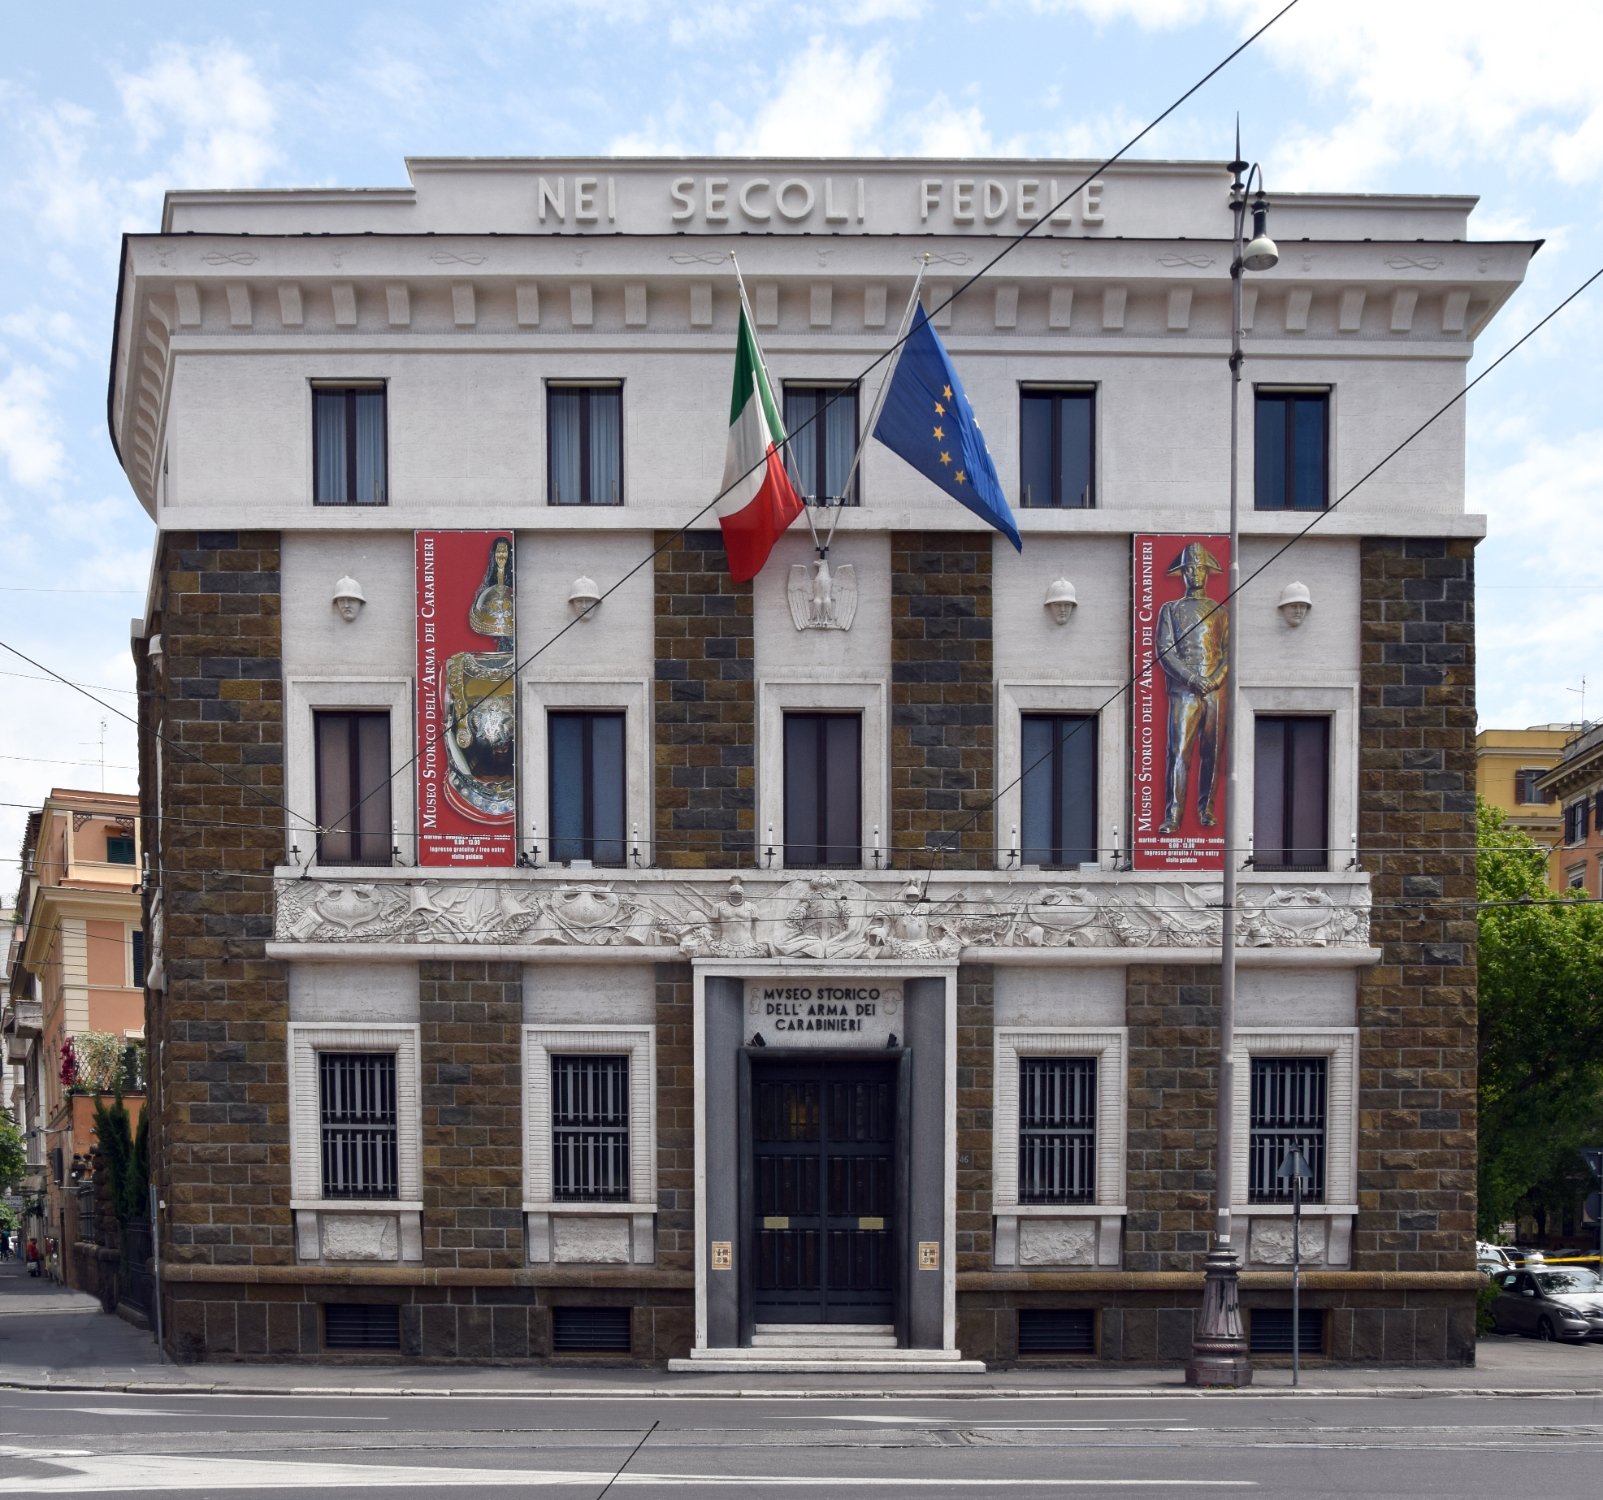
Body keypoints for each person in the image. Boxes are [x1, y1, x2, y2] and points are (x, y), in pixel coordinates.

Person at [1154, 541, 1229, 833]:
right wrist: (1191, 678)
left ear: (1208, 572)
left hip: (1214, 691)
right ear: (1182, 573)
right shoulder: (1170, 610)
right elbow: (1165, 650)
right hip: (1184, 690)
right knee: (1178, 752)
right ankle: (1173, 814)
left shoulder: (1220, 611)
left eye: (1200, 568)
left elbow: (1228, 652)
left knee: (1212, 750)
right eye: (1190, 568)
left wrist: (1215, 680)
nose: (1195, 573)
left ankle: (1206, 808)